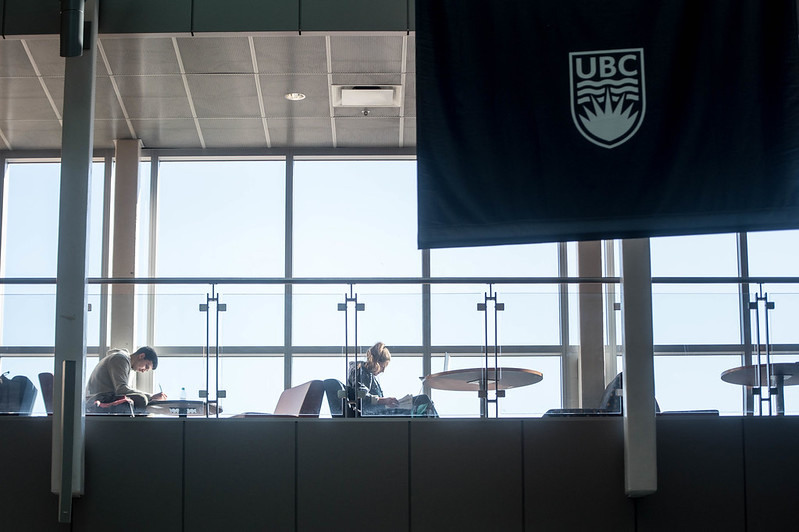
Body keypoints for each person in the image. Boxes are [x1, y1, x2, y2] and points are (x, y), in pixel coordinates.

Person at [348, 342, 437, 417]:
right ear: (377, 363)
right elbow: (361, 396)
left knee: (423, 401)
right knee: (423, 401)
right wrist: (384, 400)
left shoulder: (367, 374)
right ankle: (439, 429)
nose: (383, 371)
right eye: (383, 367)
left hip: (375, 411)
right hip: (371, 413)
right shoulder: (361, 371)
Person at [85, 346, 167, 413]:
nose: (143, 371)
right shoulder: (120, 359)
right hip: (96, 400)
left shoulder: (128, 367)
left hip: (103, 398)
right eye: (146, 366)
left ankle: (159, 411)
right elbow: (121, 390)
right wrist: (151, 396)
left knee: (141, 401)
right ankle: (161, 412)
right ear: (141, 356)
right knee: (141, 400)